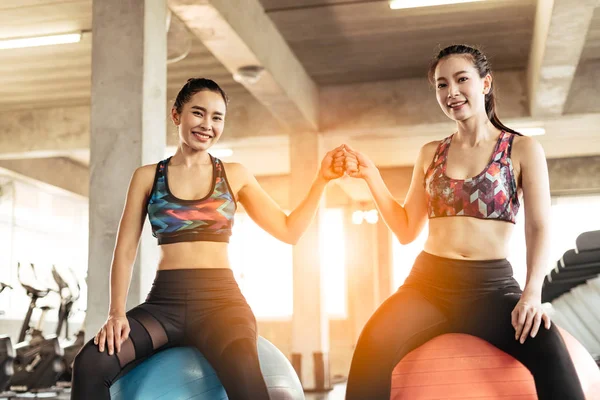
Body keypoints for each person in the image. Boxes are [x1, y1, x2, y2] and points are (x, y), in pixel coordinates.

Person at [71, 78, 345, 400]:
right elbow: (126, 249)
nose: (207, 125)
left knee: (249, 386)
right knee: (89, 363)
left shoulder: (234, 174)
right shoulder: (148, 176)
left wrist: (321, 181)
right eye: (198, 113)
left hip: (222, 304)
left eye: (217, 117)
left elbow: (289, 230)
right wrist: (116, 313)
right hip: (165, 304)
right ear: (177, 115)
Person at [340, 45, 585, 400]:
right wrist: (371, 177)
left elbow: (539, 227)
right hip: (427, 285)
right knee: (371, 344)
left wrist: (532, 293)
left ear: (485, 84)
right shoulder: (430, 153)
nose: (451, 92)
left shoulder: (522, 149)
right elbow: (407, 229)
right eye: (441, 85)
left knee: (548, 345)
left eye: (461, 79)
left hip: (492, 288)